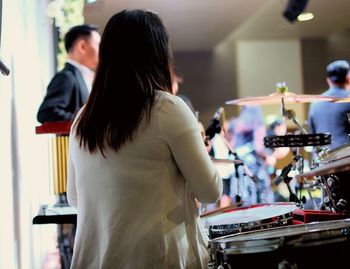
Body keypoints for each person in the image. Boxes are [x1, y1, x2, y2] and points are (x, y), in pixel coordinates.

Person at [67, 9, 222, 269]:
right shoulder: (166, 109)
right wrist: (199, 146)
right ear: (158, 53)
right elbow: (210, 191)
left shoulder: (82, 118)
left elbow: (75, 198)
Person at [37, 24, 101, 123]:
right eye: (98, 44)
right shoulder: (67, 77)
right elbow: (46, 112)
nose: (101, 50)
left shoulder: (81, 76)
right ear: (82, 46)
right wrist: (86, 122)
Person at [308, 60, 350, 149]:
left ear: (328, 80)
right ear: (348, 78)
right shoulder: (348, 100)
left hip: (322, 159)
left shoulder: (315, 103)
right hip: (346, 158)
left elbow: (312, 133)